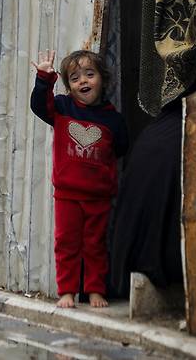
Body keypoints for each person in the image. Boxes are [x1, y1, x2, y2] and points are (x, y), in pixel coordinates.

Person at [30, 49, 128, 308]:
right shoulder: (62, 108)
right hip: (67, 195)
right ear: (69, 86)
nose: (83, 81)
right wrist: (44, 78)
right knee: (67, 244)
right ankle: (67, 292)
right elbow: (39, 105)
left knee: (95, 245)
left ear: (102, 79)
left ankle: (95, 289)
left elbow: (121, 148)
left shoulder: (113, 119)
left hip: (98, 197)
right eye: (74, 78)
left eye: (89, 74)